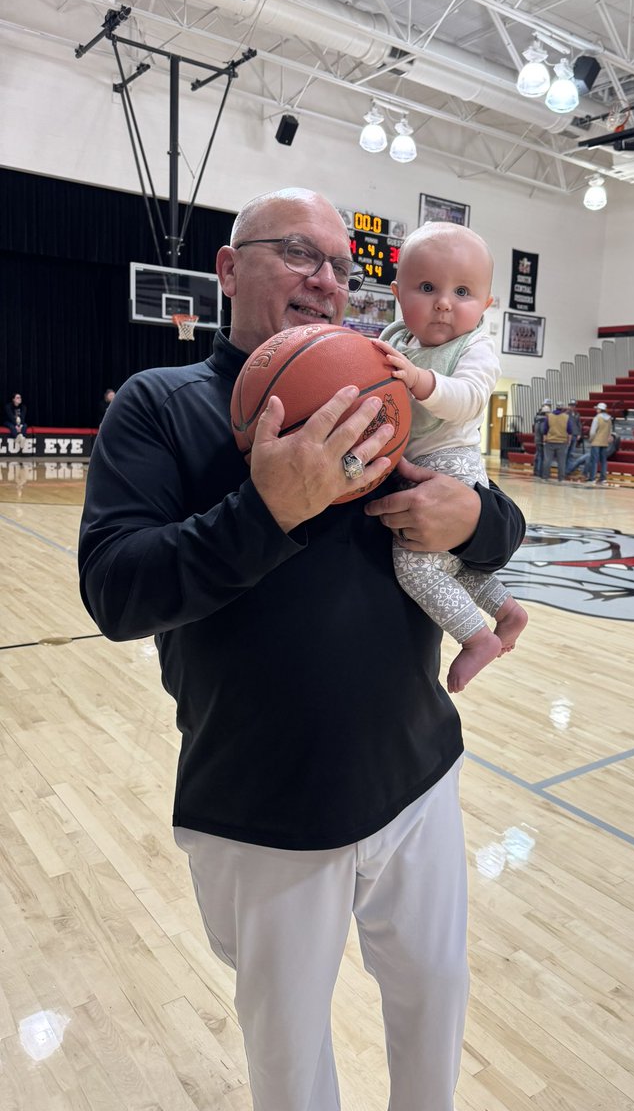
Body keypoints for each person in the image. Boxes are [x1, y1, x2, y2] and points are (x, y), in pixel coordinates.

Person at [78, 187, 526, 1111]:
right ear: (228, 268)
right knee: (288, 1057)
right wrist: (266, 508)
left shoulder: (380, 380)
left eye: (340, 265)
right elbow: (118, 591)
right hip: (262, 801)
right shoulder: (162, 406)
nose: (326, 279)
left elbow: (493, 523)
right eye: (298, 254)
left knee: (436, 999)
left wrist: (477, 517)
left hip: (417, 769)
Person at [375, 222, 528, 693]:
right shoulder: (397, 338)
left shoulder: (475, 346)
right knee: (457, 565)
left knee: (416, 564)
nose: (444, 301)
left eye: (462, 291)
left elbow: (467, 399)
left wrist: (419, 382)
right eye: (427, 287)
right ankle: (506, 610)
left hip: (451, 464)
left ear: (486, 304)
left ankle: (476, 638)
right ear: (399, 295)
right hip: (413, 461)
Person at [542, 401, 574, 481]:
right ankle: (561, 478)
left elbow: (545, 429)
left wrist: (545, 438)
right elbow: (569, 430)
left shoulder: (549, 416)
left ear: (555, 407)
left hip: (550, 441)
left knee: (547, 460)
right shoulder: (566, 417)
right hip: (562, 442)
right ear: (563, 408)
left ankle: (545, 476)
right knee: (561, 462)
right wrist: (569, 440)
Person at [532, 399, 551, 478]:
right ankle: (539, 473)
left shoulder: (537, 418)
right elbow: (543, 431)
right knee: (541, 456)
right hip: (540, 440)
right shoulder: (543, 420)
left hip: (537, 439)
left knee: (537, 455)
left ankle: (536, 470)